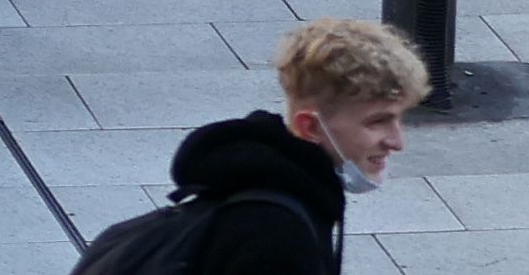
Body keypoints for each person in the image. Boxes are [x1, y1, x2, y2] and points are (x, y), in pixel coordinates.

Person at [115, 18, 433, 275]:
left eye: (399, 119)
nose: (397, 142)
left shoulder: (273, 192)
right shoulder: (276, 234)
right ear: (310, 127)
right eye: (377, 122)